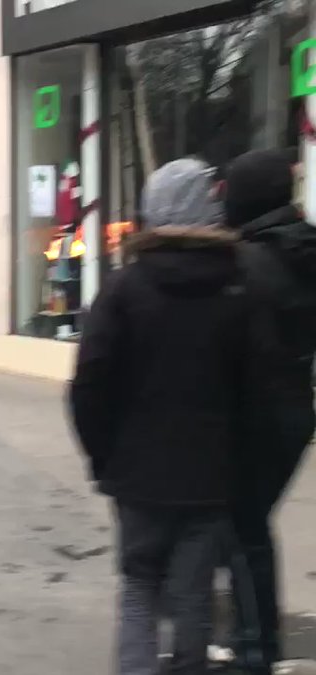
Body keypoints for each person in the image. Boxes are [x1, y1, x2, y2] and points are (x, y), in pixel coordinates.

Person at [68, 158, 266, 675]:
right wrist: (240, 465)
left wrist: (103, 457)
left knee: (138, 586)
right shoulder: (237, 287)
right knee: (193, 597)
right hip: (208, 478)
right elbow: (254, 391)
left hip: (136, 477)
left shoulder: (123, 288)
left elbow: (89, 386)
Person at [216, 148, 316, 671]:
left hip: (256, 414)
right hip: (295, 407)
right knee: (249, 528)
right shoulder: (302, 247)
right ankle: (254, 640)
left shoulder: (249, 261)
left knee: (242, 531)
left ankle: (256, 649)